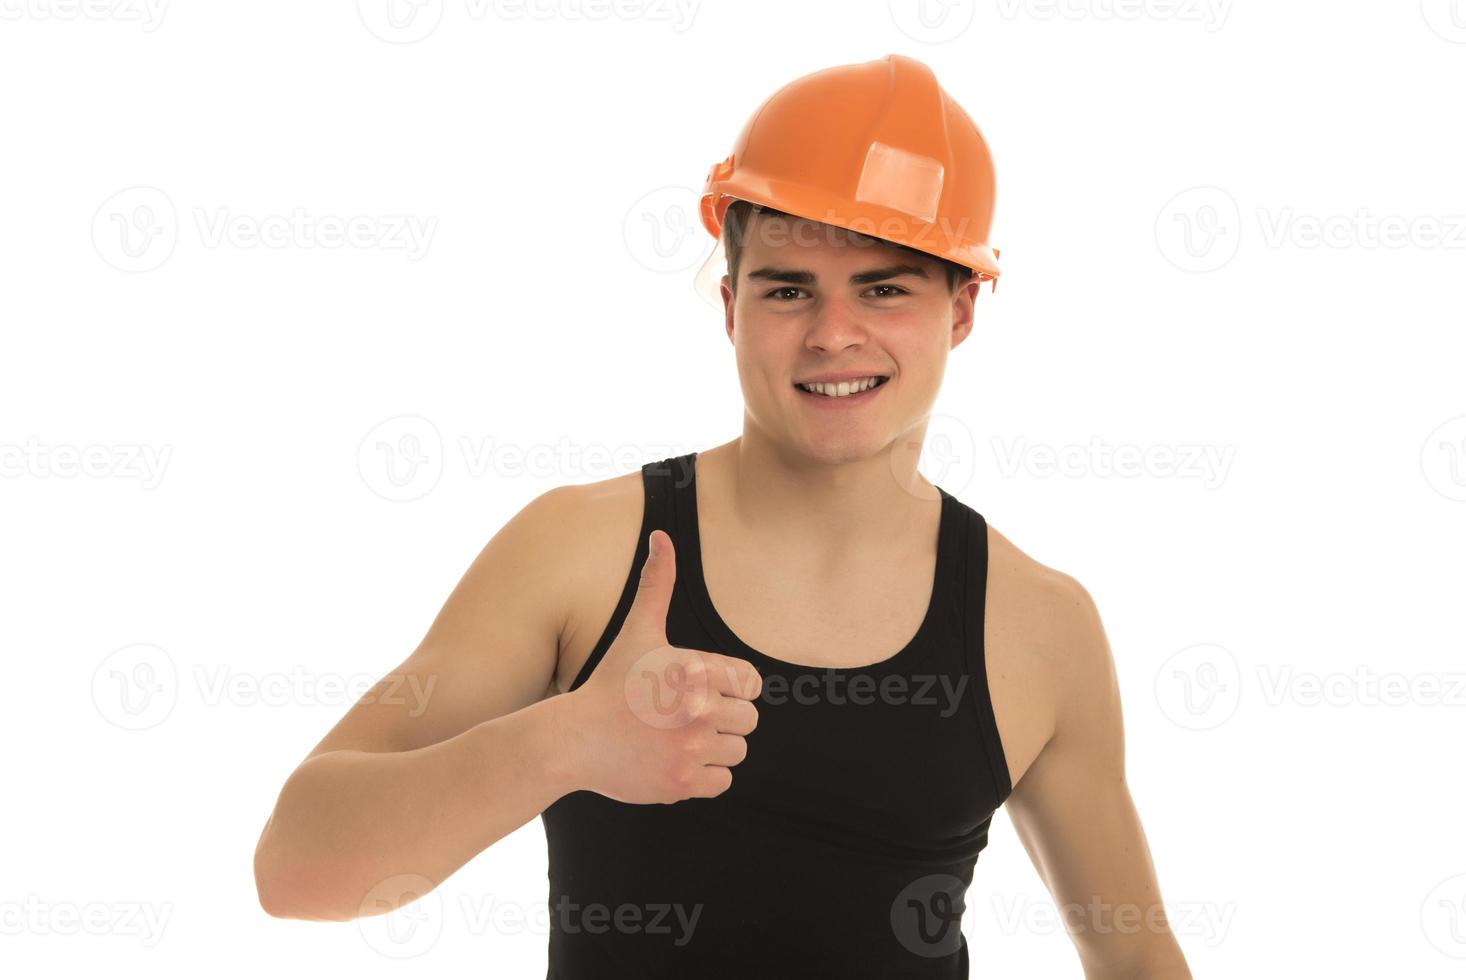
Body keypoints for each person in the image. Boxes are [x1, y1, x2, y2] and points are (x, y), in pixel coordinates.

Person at [253, 53, 1192, 979]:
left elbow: (1136, 954)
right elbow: (297, 871)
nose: (833, 334)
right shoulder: (586, 553)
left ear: (961, 311)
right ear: (731, 307)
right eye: (789, 288)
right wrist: (562, 742)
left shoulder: (1037, 627)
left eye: (884, 288)